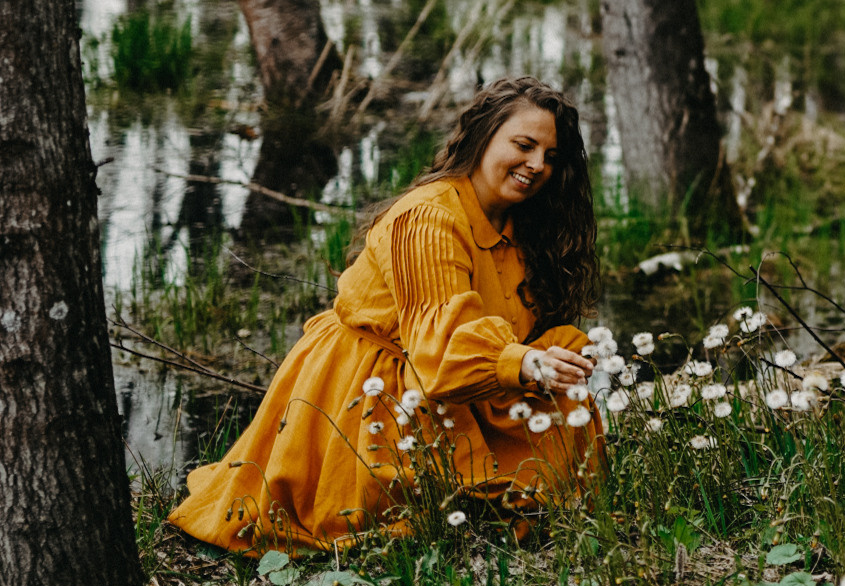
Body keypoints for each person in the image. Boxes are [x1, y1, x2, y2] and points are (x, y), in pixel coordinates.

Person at [169, 77, 602, 553]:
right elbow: (438, 351)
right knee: (414, 524)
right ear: (482, 136)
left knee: (562, 434)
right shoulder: (429, 218)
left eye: (552, 157)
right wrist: (523, 364)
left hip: (461, 379)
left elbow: (511, 333)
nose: (537, 165)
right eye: (523, 145)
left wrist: (554, 354)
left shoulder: (528, 224)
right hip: (382, 385)